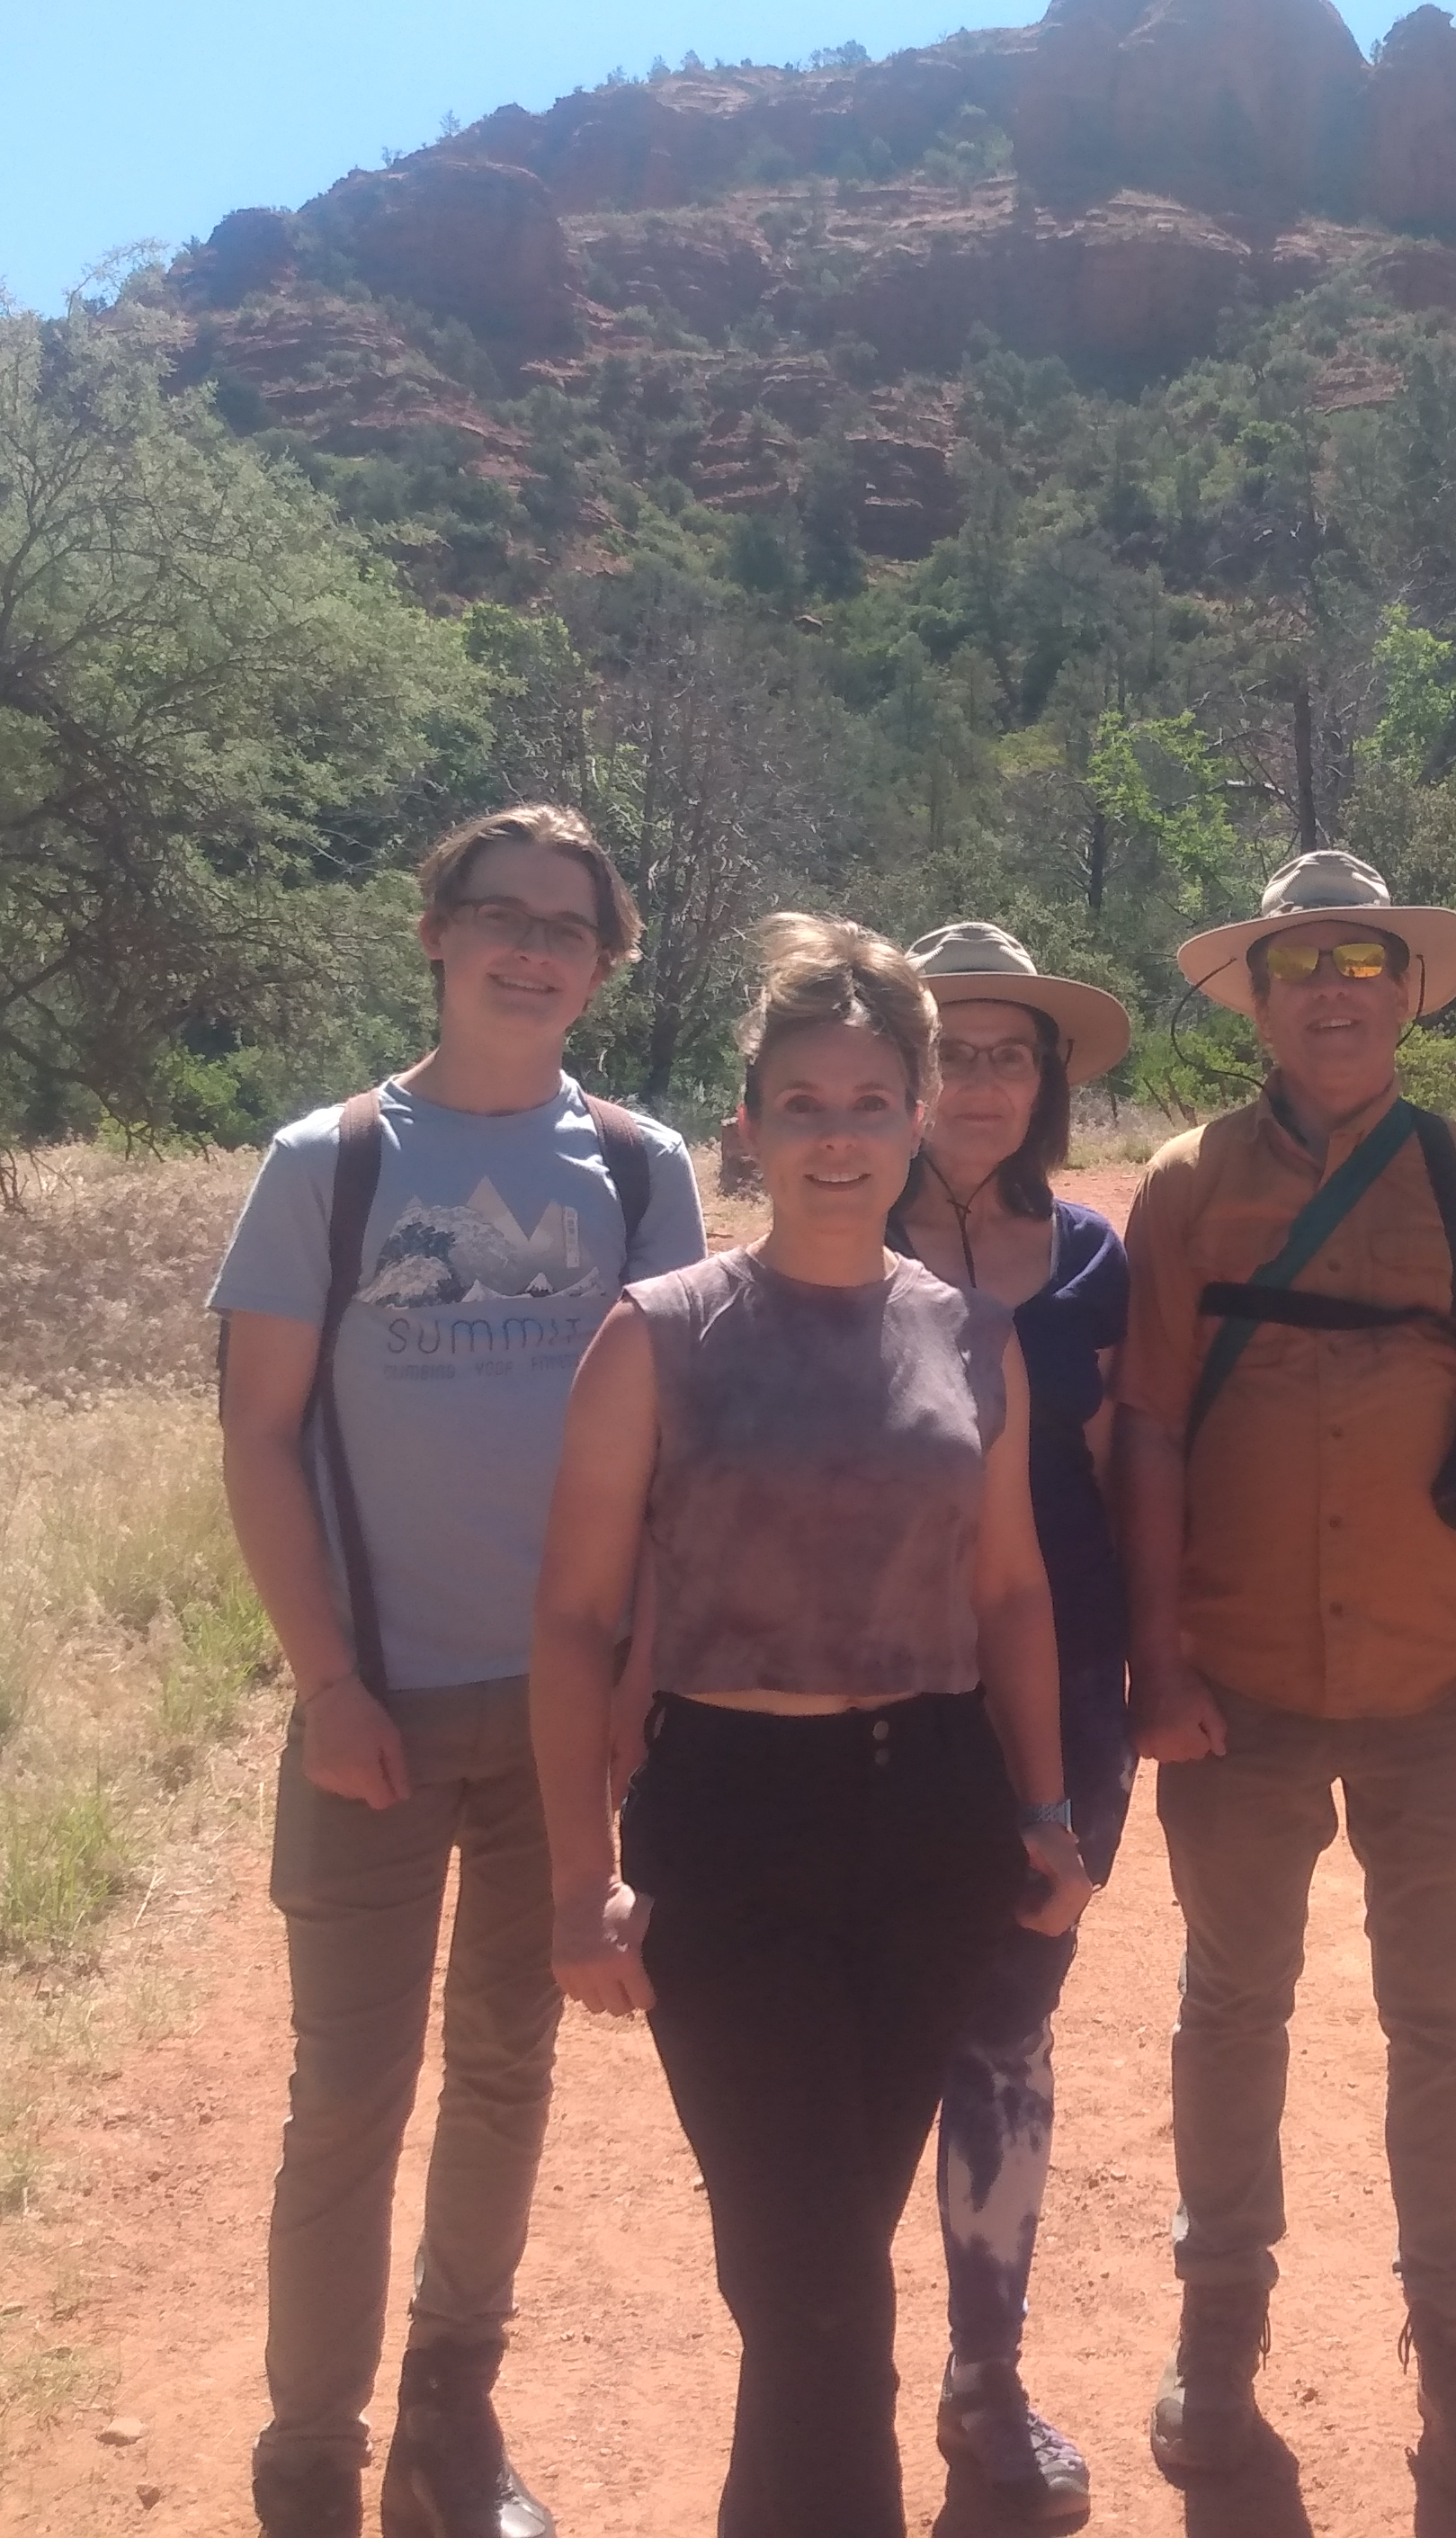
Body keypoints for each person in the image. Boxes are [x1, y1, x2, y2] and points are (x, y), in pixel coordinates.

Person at [528, 915, 1095, 2538]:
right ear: (747, 1127)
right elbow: (573, 1622)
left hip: (930, 1820)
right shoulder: (659, 1334)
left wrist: (1044, 1814)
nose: (836, 1137)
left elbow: (1010, 1598)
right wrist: (581, 1881)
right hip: (730, 1824)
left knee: (824, 2269)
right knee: (820, 2293)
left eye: (867, 1102)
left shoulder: (972, 1340)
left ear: (918, 1116)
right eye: (801, 1102)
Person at [210, 805, 707, 2538]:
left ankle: (448, 2424)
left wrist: (641, 1686)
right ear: (436, 933)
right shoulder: (326, 1165)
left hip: (564, 1714)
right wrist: (330, 1681)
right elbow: (260, 1438)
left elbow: (677, 1466)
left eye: (566, 925)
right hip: (380, 1712)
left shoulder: (645, 1176)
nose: (530, 946)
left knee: (509, 2064)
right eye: (498, 913)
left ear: (603, 959)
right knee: (346, 2094)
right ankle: (309, 2461)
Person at [1114, 849, 1456, 2503]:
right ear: (1257, 996)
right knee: (1230, 2012)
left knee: (1442, 2028)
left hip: (1435, 1689)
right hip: (1236, 1690)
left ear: (1407, 993)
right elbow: (1152, 1430)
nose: (1335, 986)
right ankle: (1217, 2340)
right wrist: (1157, 1655)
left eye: (1367, 960)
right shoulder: (1186, 1188)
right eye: (1302, 960)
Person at [888, 922, 1139, 2533]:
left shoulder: (1100, 1258)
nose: (980, 1081)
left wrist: (1152, 1672)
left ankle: (987, 2374)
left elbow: (1123, 1475)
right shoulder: (830, 1229)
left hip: (1068, 1691)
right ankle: (833, 2373)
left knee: (1008, 2030)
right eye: (949, 1050)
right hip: (877, 1690)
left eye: (1008, 1053)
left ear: (1045, 1079)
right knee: (863, 2038)